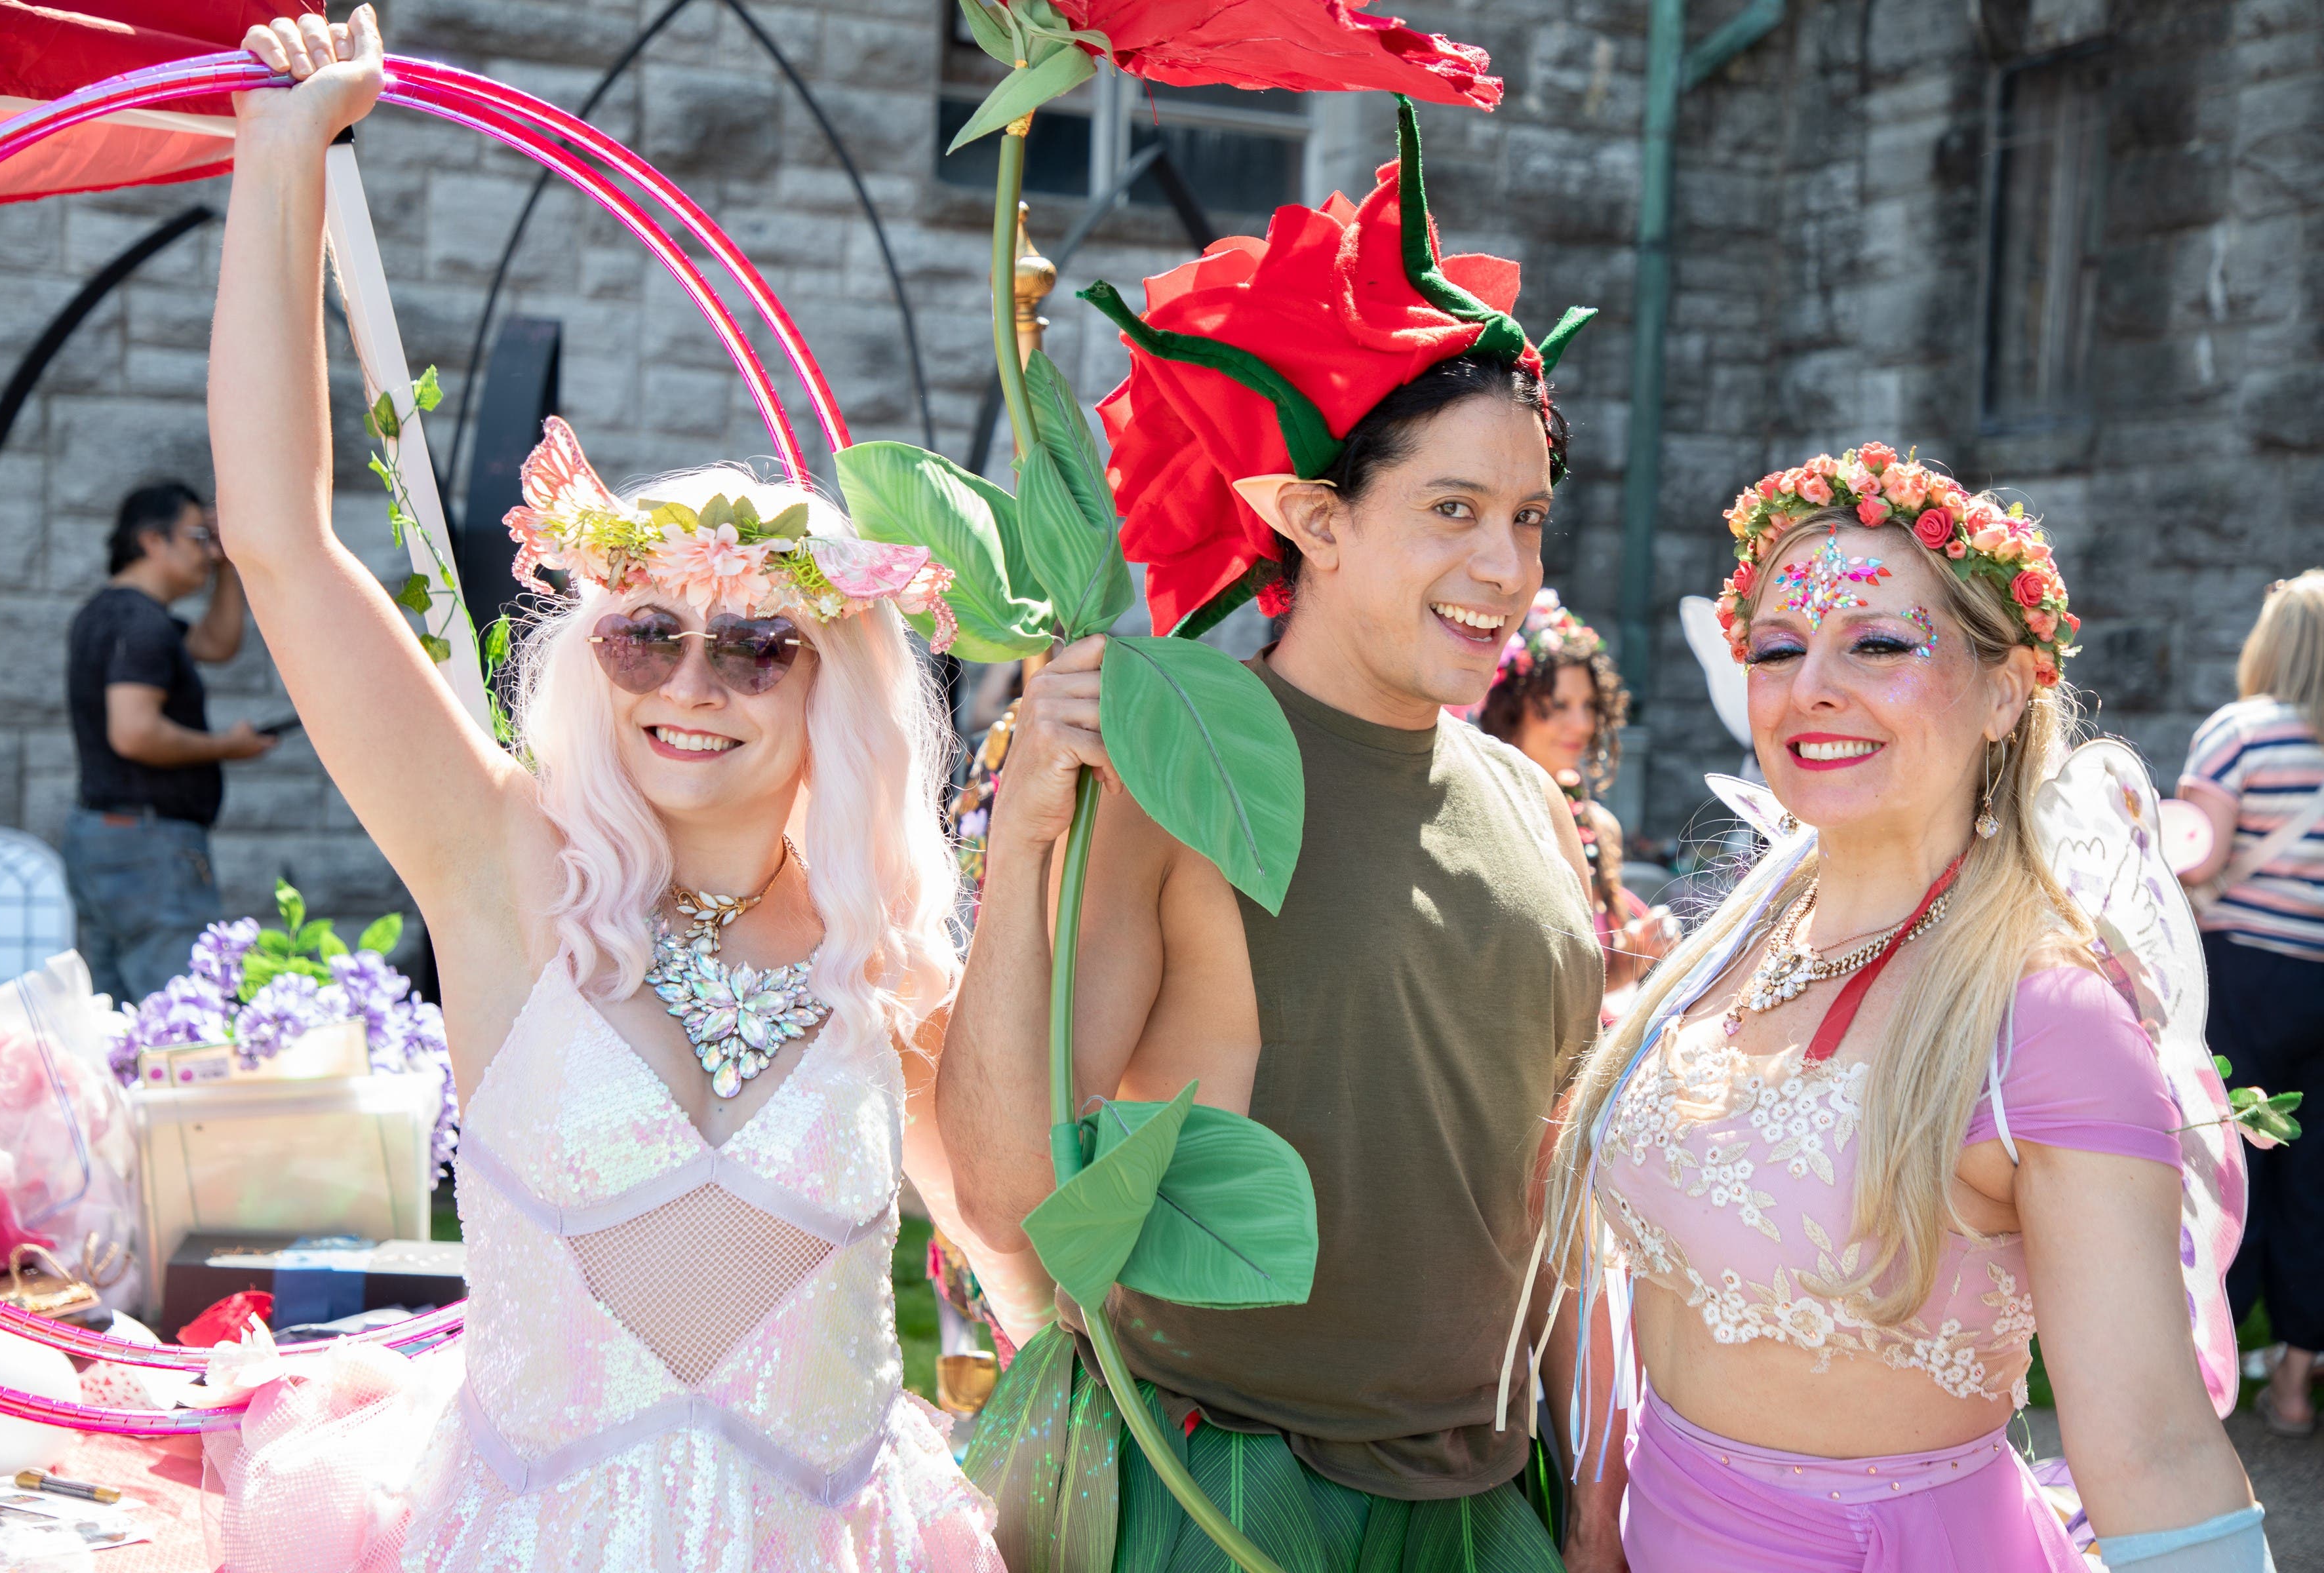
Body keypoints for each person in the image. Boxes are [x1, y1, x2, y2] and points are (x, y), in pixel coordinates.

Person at [199, 13, 1003, 1568]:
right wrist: (282, 157)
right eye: (647, 631)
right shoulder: (505, 866)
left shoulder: (888, 959)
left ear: (834, 680)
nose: (690, 686)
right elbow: (279, 543)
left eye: (757, 644)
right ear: (597, 652)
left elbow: (1029, 1264)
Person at [941, 102, 1626, 1572]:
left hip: (1486, 1503)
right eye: (1452, 509)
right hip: (1217, 1500)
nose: (1503, 569)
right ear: (1315, 520)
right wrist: (1026, 849)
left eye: (1528, 516)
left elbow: (1544, 1188)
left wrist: (1592, 1492)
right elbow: (1007, 1193)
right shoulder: (1174, 776)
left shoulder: (1534, 808)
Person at [1540, 447, 2270, 1570]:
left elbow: (2158, 1450)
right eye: (1778, 650)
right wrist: (1596, 1523)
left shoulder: (2047, 1019)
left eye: (1879, 644)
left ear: (2005, 688)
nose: (1811, 686)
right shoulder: (1738, 936)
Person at [2178, 568, 2324, 1439]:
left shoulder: (2241, 732)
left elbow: (2197, 858)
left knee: (2229, 1168)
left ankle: (2210, 1381)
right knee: (2317, 1184)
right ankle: (2299, 1388)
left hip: (2244, 971)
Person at [63, 479, 273, 1003]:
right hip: (150, 844)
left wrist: (228, 564)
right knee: (184, 1013)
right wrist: (227, 745)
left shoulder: (108, 614)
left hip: (105, 834)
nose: (207, 549)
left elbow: (217, 643)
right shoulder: (142, 625)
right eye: (199, 535)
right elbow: (134, 732)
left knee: (120, 1015)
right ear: (152, 540)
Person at [1476, 591, 1676, 1014]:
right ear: (1511, 710)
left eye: (1589, 706)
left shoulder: (1600, 826)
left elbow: (1584, 989)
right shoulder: (1479, 817)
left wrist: (1632, 962)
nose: (1582, 724)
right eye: (1559, 705)